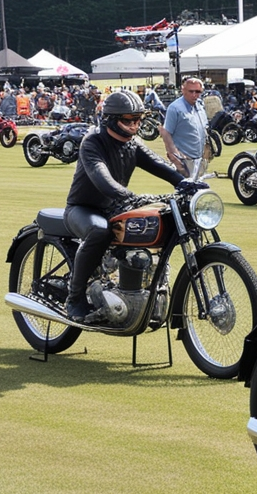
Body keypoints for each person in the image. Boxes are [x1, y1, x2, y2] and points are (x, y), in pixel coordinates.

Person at [62, 91, 185, 323]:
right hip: (84, 208)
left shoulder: (133, 144)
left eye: (137, 120)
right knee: (99, 230)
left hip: (117, 207)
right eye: (128, 120)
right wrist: (129, 195)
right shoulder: (93, 142)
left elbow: (161, 166)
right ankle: (74, 297)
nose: (134, 125)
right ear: (110, 119)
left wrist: (185, 182)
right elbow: (102, 179)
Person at [161, 76, 209, 178]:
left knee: (199, 191)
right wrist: (176, 159)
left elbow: (204, 129)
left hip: (199, 159)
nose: (194, 95)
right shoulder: (175, 108)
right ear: (183, 90)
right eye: (191, 91)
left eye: (197, 92)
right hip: (184, 160)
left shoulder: (200, 106)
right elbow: (166, 133)